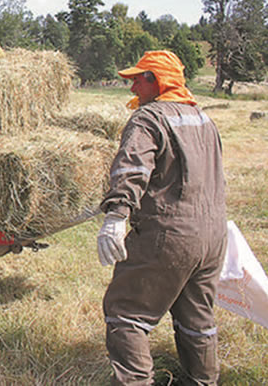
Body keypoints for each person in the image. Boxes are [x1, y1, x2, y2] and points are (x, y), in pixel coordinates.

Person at [97, 50, 227, 385]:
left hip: (169, 235)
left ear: (158, 80)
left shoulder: (148, 119)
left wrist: (116, 214)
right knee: (197, 318)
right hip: (212, 238)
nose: (132, 88)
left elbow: (133, 168)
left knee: (126, 314)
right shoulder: (204, 120)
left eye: (138, 79)